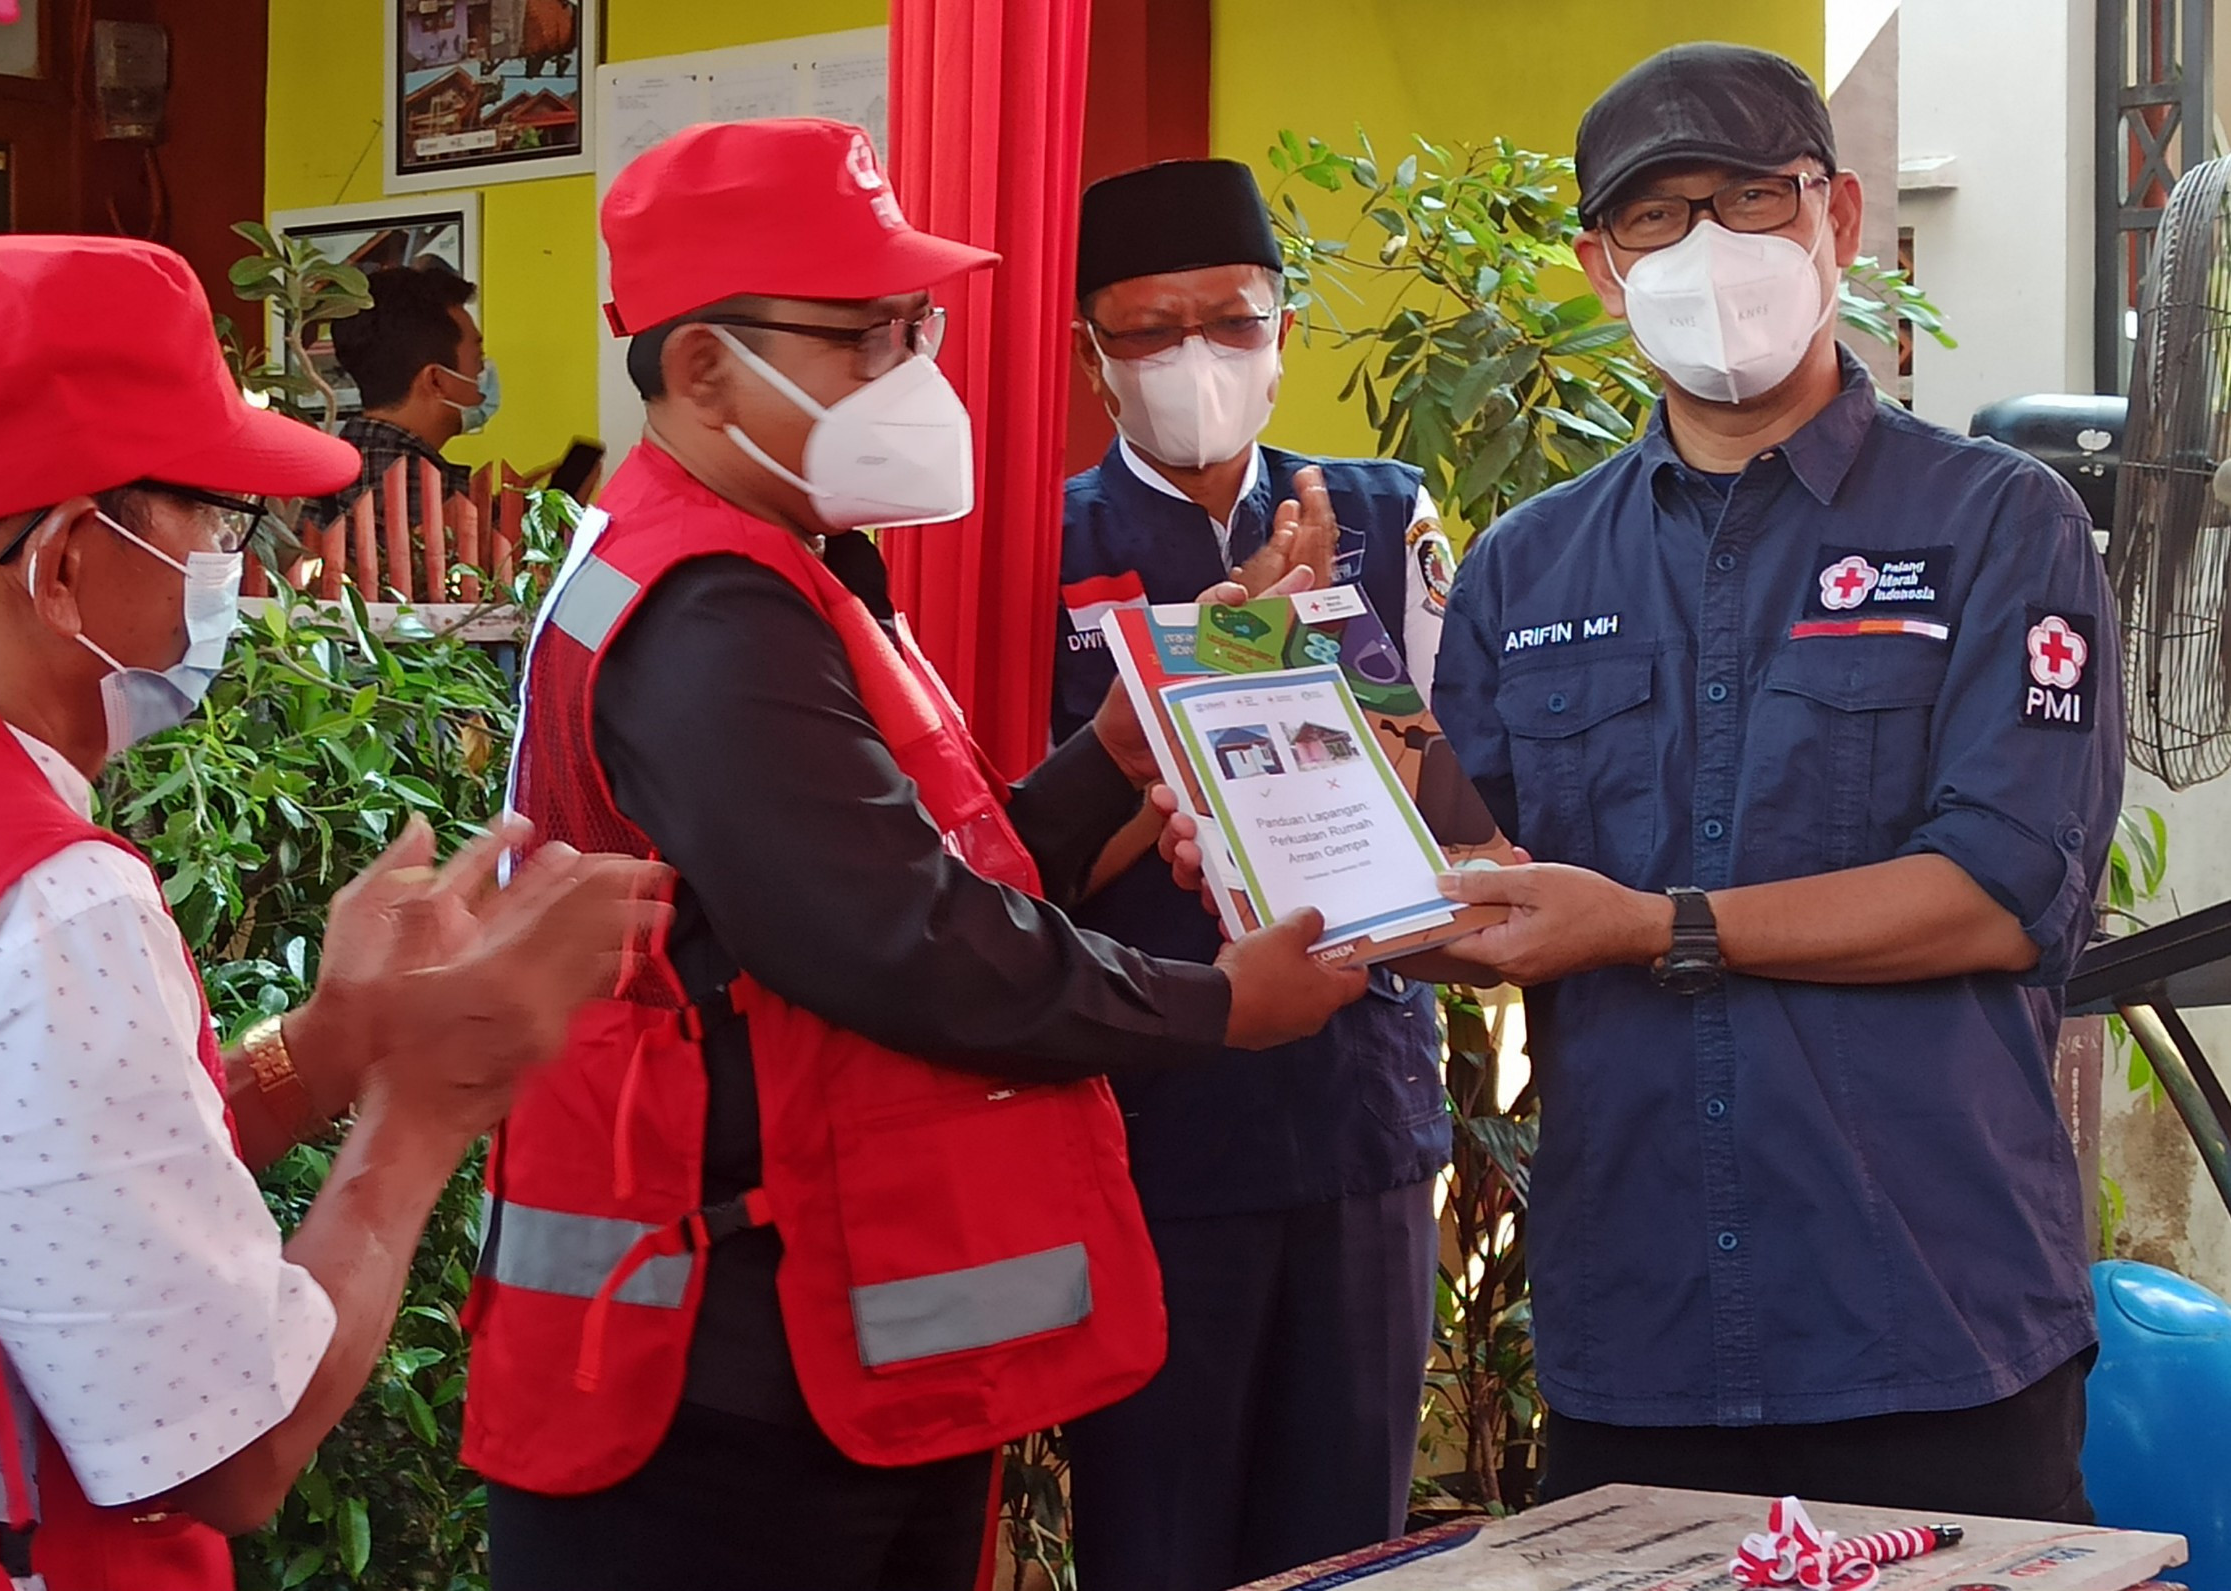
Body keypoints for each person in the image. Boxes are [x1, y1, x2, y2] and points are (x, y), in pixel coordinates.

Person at [0, 235, 663, 1589]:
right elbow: (224, 1447)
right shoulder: (43, 898)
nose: (233, 563)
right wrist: (426, 1101)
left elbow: (14, 1177)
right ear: (61, 562)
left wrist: (337, 1037)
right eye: (216, 522)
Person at [461, 118, 1390, 1591]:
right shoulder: (708, 607)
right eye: (866, 334)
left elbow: (937, 868)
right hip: (715, 1380)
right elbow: (899, 940)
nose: (913, 370)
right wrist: (1217, 1004)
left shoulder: (792, 557)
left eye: (919, 325)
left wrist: (1115, 759)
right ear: (701, 368)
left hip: (824, 1328)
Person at [1424, 44, 2124, 1518]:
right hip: (1638, 1337)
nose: (1707, 253)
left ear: (1839, 218)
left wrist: (1647, 925)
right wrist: (1269, 763)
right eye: (1655, 220)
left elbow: (1998, 891)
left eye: (1750, 200)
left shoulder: (2000, 525)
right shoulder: (1523, 566)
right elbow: (1463, 879)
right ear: (1598, 267)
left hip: (1929, 1326)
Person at [1051, 157, 1449, 1591]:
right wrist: (1196, 719)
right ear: (1092, 357)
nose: (1192, 360)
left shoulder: (1384, 513)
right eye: (1147, 332)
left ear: (1283, 327)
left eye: (1226, 319)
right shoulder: (1047, 547)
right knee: (1156, 1535)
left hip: (1357, 1115)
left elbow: (1449, 789)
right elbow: (1012, 849)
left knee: (1351, 1539)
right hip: (1155, 1124)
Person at [307, 261, 497, 550]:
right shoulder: (421, 488)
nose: (483, 374)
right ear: (436, 380)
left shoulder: (320, 477)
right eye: (478, 359)